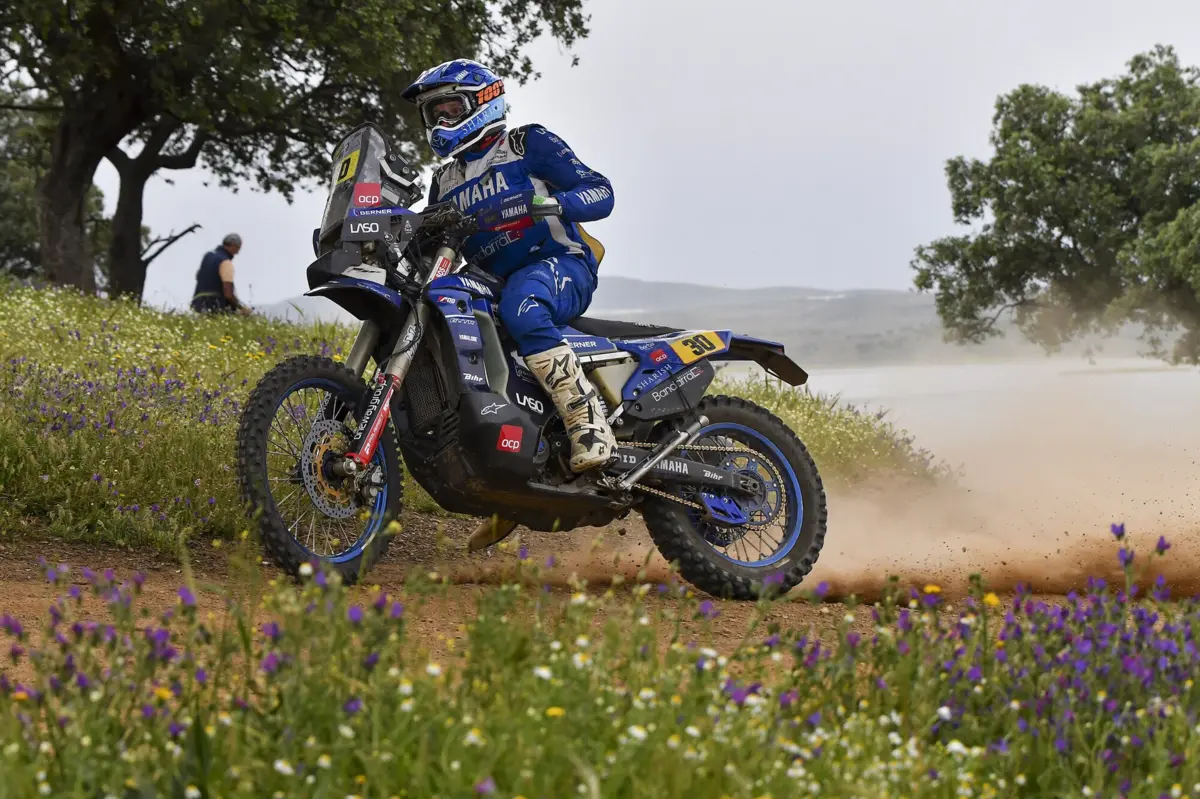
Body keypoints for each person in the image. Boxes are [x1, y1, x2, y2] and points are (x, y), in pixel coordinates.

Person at [401, 59, 618, 477]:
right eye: (434, 113)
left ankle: (588, 424)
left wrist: (548, 203)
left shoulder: (525, 144)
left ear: (482, 101)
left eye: (450, 108)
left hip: (559, 265)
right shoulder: (445, 180)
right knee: (445, 312)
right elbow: (434, 244)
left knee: (523, 304)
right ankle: (507, 462)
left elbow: (601, 191)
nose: (441, 120)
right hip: (492, 281)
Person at [191, 233, 251, 315]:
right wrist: (240, 307)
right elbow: (228, 294)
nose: (237, 253)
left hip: (198, 303)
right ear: (233, 246)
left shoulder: (207, 256)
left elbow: (198, 276)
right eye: (238, 249)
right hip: (214, 306)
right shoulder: (225, 262)